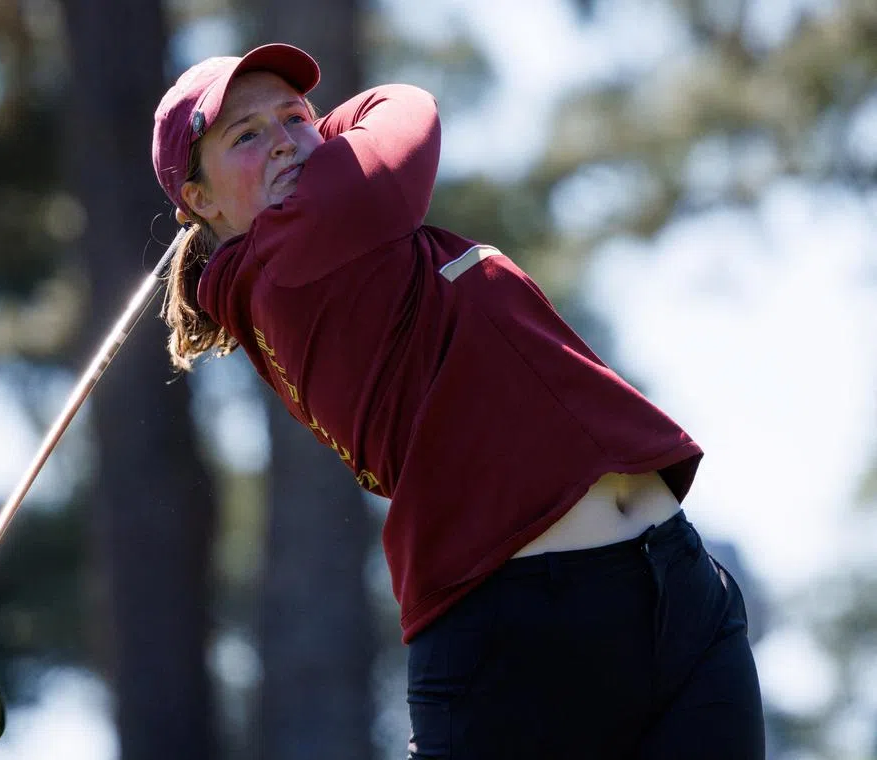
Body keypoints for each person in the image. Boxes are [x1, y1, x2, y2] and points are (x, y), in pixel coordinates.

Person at [150, 43, 765, 759]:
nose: (285, 142)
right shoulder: (295, 255)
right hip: (519, 632)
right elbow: (406, 107)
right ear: (199, 200)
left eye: (295, 116)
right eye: (245, 136)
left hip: (679, 590)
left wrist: (289, 147)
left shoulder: (327, 239)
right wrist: (322, 141)